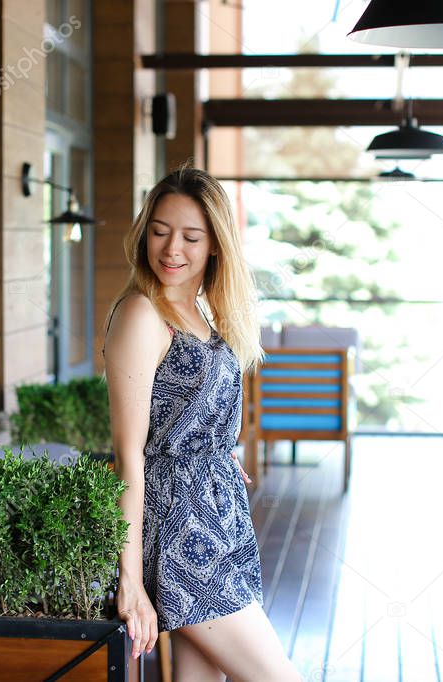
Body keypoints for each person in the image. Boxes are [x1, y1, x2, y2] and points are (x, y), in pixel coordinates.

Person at [103, 167, 301, 681]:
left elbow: (190, 413)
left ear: (215, 244)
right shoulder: (142, 315)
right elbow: (129, 456)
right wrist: (131, 579)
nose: (171, 249)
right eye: (160, 230)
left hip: (221, 517)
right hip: (178, 532)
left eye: (191, 236)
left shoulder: (203, 312)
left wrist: (215, 452)